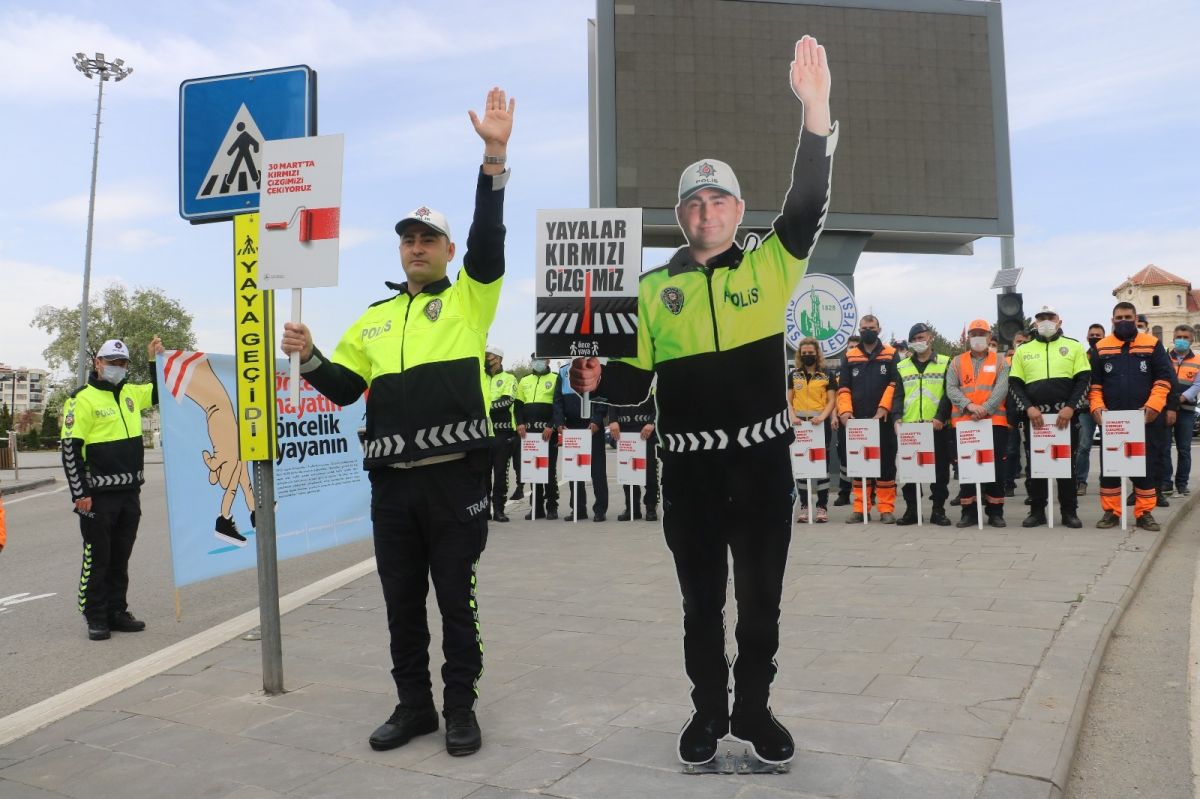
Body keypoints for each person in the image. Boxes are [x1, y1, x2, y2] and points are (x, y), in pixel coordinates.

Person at [569, 35, 835, 767]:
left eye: (719, 200)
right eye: (694, 202)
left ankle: (754, 708)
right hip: (689, 475)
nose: (707, 211)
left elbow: (808, 201)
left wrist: (815, 113)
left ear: (738, 208)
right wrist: (591, 380)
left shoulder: (775, 263)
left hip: (762, 469)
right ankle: (707, 714)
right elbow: (629, 385)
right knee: (700, 605)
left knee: (761, 602)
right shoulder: (651, 291)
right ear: (680, 216)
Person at [278, 87, 514, 757]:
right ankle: (414, 706)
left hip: (455, 485)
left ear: (445, 250)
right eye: (407, 239)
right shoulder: (372, 320)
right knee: (401, 607)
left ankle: (460, 707)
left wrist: (493, 158)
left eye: (427, 238)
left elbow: (489, 241)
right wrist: (312, 354)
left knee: (456, 607)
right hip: (392, 491)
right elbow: (345, 389)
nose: (416, 247)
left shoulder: (471, 299)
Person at [60, 337, 162, 641]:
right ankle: (95, 615)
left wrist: (155, 360)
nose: (117, 368)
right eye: (111, 362)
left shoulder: (132, 393)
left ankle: (117, 610)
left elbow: (160, 391)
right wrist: (80, 493)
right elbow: (70, 450)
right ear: (98, 363)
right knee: (98, 557)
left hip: (130, 491)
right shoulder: (81, 399)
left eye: (122, 363)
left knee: (121, 556)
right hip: (97, 496)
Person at [1089, 302, 1173, 530]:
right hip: (1112, 421)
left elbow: (1164, 380)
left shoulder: (1153, 344)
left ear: (1136, 319)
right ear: (1112, 320)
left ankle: (1144, 513)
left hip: (1145, 419)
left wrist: (1154, 407)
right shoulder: (1101, 347)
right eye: (1119, 318)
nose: (1123, 321)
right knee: (1110, 468)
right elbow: (1095, 385)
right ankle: (1111, 512)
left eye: (1128, 316)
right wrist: (1096, 408)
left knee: (1145, 467)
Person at [1006, 305, 1089, 528]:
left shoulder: (1073, 346)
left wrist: (1071, 407)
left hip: (1065, 417)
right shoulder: (1024, 350)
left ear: (1059, 320)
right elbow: (1014, 383)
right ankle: (1037, 511)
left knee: (1066, 466)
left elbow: (1084, 380)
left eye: (1050, 317)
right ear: (1035, 322)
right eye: (1041, 318)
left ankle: (1069, 512)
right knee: (1036, 467)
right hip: (1036, 419)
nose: (1045, 321)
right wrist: (1028, 408)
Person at [946, 319, 1010, 528]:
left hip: (994, 422)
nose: (977, 337)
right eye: (973, 333)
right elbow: (951, 389)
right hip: (966, 423)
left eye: (982, 333)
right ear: (968, 337)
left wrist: (985, 409)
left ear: (990, 337)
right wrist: (970, 406)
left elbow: (1002, 387)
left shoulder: (1001, 361)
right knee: (967, 467)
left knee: (995, 468)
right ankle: (968, 512)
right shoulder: (957, 361)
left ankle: (995, 512)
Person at [837, 315, 899, 523]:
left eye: (871, 328)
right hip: (857, 421)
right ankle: (860, 508)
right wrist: (845, 412)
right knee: (859, 464)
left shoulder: (891, 354)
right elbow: (843, 387)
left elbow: (894, 383)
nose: (867, 331)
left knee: (886, 464)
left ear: (879, 329)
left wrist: (884, 408)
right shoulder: (851, 356)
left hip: (882, 421)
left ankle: (886, 508)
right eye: (863, 328)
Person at [893, 323, 953, 526]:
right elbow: (898, 394)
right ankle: (912, 510)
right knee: (910, 472)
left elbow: (948, 393)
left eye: (922, 337)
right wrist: (896, 417)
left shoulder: (945, 362)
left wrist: (940, 416)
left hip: (936, 426)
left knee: (940, 472)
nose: (919, 342)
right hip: (911, 427)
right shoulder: (902, 366)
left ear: (930, 338)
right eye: (915, 339)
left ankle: (938, 510)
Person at [787, 337, 837, 523]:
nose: (808, 355)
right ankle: (804, 506)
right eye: (804, 353)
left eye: (811, 352)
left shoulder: (827, 375)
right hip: (800, 426)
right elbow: (788, 400)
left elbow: (832, 400)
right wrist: (793, 417)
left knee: (821, 467)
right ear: (800, 354)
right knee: (802, 466)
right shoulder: (794, 375)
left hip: (819, 425)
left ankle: (822, 507)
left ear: (817, 354)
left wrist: (822, 417)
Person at [552, 362, 608, 522]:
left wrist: (597, 420)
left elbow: (603, 397)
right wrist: (560, 423)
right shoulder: (563, 371)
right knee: (574, 470)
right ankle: (578, 509)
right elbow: (557, 400)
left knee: (597, 471)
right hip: (571, 427)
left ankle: (600, 509)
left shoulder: (597, 367)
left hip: (592, 427)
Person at [517, 355, 559, 519]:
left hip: (548, 434)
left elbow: (558, 405)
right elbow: (518, 406)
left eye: (541, 359)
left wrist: (551, 425)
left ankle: (552, 507)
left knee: (549, 471)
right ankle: (536, 507)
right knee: (533, 470)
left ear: (548, 361)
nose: (537, 362)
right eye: (534, 360)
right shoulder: (525, 380)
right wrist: (519, 423)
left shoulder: (556, 378)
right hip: (529, 435)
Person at [608, 392, 659, 521]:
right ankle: (632, 509)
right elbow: (612, 401)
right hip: (625, 432)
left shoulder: (652, 378)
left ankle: (651, 508)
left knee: (650, 473)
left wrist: (652, 422)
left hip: (647, 432)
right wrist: (613, 420)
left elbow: (660, 401)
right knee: (628, 473)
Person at [1162, 324, 1198, 497]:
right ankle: (1166, 483)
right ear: (1173, 338)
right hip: (1165, 409)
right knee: (1164, 447)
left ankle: (1182, 483)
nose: (1181, 340)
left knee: (1184, 449)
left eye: (1185, 337)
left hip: (1186, 410)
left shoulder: (1198, 360)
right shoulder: (1164, 358)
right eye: (1178, 337)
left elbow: (1197, 385)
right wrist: (1170, 402)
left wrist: (1179, 399)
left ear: (1192, 340)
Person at [485, 345, 519, 523]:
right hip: (483, 433)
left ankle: (499, 509)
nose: (485, 359)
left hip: (502, 432)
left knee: (500, 474)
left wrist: (484, 408)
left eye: (487, 356)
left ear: (497, 359)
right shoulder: (481, 377)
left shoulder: (509, 378)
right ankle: (484, 510)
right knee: (482, 474)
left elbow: (506, 402)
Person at [1075, 323, 1106, 495]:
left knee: (1107, 446)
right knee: (1084, 446)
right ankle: (1081, 481)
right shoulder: (1081, 356)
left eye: (1098, 335)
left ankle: (1107, 480)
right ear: (1087, 337)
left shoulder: (1108, 355)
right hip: (1085, 408)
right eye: (1092, 335)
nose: (1094, 337)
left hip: (1104, 407)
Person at [1002, 329, 1031, 497]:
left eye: (1025, 342)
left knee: (1031, 451)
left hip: (1029, 410)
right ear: (1013, 343)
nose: (1021, 345)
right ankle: (1008, 484)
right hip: (1010, 411)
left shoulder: (1033, 361)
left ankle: (1032, 489)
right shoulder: (1005, 363)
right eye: (1019, 341)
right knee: (1011, 450)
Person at [832, 334, 860, 507]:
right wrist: (834, 415)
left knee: (864, 456)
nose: (853, 349)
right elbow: (835, 396)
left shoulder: (866, 367)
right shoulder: (840, 371)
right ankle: (844, 493)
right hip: (844, 419)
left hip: (862, 418)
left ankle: (867, 493)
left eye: (856, 347)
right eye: (850, 347)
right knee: (845, 458)